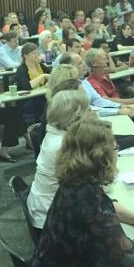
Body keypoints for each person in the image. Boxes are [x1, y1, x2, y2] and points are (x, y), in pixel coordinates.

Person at [32, 117, 134, 267]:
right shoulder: (86, 199)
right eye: (115, 148)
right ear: (102, 158)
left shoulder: (76, 182)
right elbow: (128, 260)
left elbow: (105, 206)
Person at [26, 90, 96, 230]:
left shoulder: (54, 133)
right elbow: (92, 189)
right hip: (51, 222)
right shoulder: (63, 145)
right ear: (75, 116)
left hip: (47, 208)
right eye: (88, 109)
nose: (92, 113)